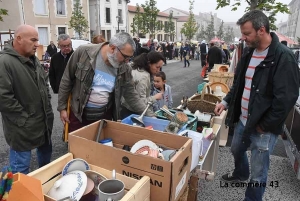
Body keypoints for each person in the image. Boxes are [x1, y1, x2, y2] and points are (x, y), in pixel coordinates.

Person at [214, 10, 299, 201]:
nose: (243, 38)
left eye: (246, 33)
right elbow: (239, 84)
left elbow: (286, 99)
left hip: (263, 128)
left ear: (261, 30)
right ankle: (240, 173)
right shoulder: (249, 53)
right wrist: (226, 102)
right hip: (243, 120)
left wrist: (266, 125)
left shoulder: (283, 57)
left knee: (259, 173)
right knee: (236, 149)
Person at [58, 32, 150, 133]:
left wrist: (150, 115)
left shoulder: (124, 68)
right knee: (78, 147)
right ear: (113, 48)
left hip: (103, 118)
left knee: (99, 147)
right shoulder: (84, 52)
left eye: (129, 58)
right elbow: (66, 80)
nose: (127, 61)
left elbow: (131, 94)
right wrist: (62, 108)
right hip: (78, 116)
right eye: (125, 56)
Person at [0, 25, 54, 174]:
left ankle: (41, 189)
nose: (37, 44)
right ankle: (12, 196)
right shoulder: (4, 62)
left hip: (43, 123)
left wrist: (48, 106)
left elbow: (44, 85)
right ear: (18, 39)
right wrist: (23, 119)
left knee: (45, 166)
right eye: (33, 40)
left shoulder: (32, 58)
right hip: (21, 128)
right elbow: (3, 98)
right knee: (19, 170)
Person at [120, 51, 164, 119]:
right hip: (133, 112)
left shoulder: (135, 67)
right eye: (157, 67)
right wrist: (155, 97)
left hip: (125, 108)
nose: (158, 70)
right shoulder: (144, 77)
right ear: (149, 64)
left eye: (160, 68)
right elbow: (140, 102)